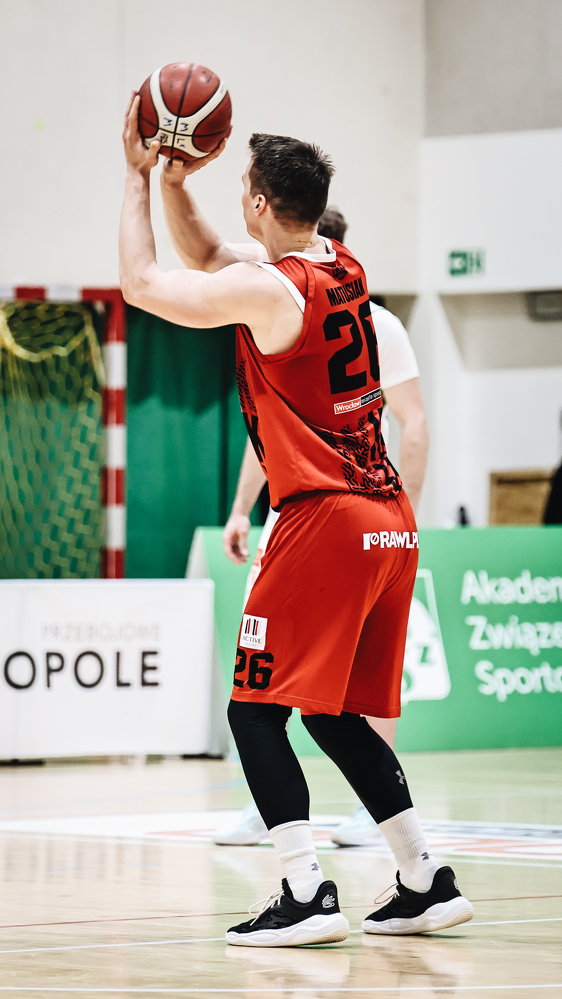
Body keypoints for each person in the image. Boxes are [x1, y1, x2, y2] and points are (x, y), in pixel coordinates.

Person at [120, 96, 473, 947]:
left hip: (324, 520)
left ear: (256, 200)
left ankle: (304, 891)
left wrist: (135, 177)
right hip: (389, 521)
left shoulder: (270, 292)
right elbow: (211, 255)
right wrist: (175, 183)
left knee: (252, 710)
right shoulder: (339, 265)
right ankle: (423, 878)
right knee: (330, 714)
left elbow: (144, 283)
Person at [215, 207, 429, 849]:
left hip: (338, 509)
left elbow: (414, 423)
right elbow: (270, 430)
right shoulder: (296, 301)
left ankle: (342, 837)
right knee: (305, 698)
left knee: (302, 697)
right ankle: (282, 810)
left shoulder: (370, 321)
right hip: (325, 512)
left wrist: (154, 180)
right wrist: (242, 508)